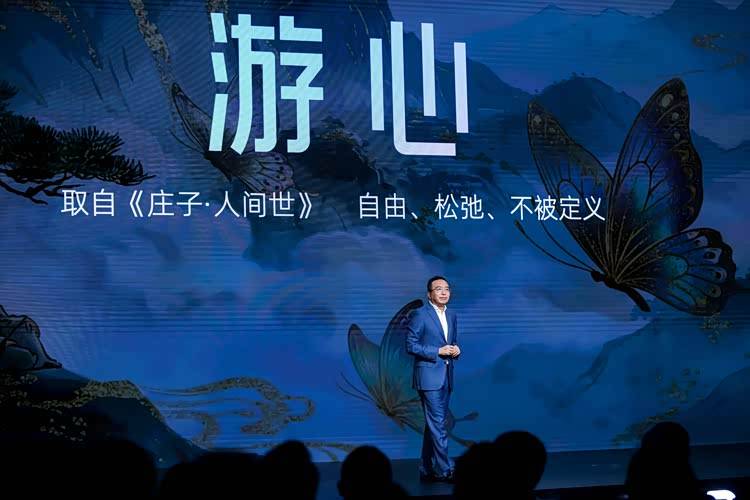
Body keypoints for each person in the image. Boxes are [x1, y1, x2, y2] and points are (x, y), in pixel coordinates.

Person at [406, 275, 461, 483]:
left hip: (446, 375)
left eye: (447, 288)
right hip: (428, 376)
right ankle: (446, 469)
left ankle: (426, 467)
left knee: (434, 425)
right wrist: (437, 351)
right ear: (429, 294)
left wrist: (456, 349)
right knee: (438, 423)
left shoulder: (452, 315)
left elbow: (451, 342)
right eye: (438, 289)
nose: (444, 292)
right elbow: (411, 345)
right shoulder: (420, 314)